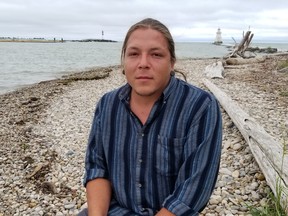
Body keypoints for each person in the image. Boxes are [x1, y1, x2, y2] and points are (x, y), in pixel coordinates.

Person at [78, 18, 222, 216]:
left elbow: (193, 190)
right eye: (134, 54)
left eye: (156, 54)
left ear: (172, 62)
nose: (143, 63)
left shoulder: (200, 106)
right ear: (124, 61)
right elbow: (97, 168)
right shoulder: (107, 105)